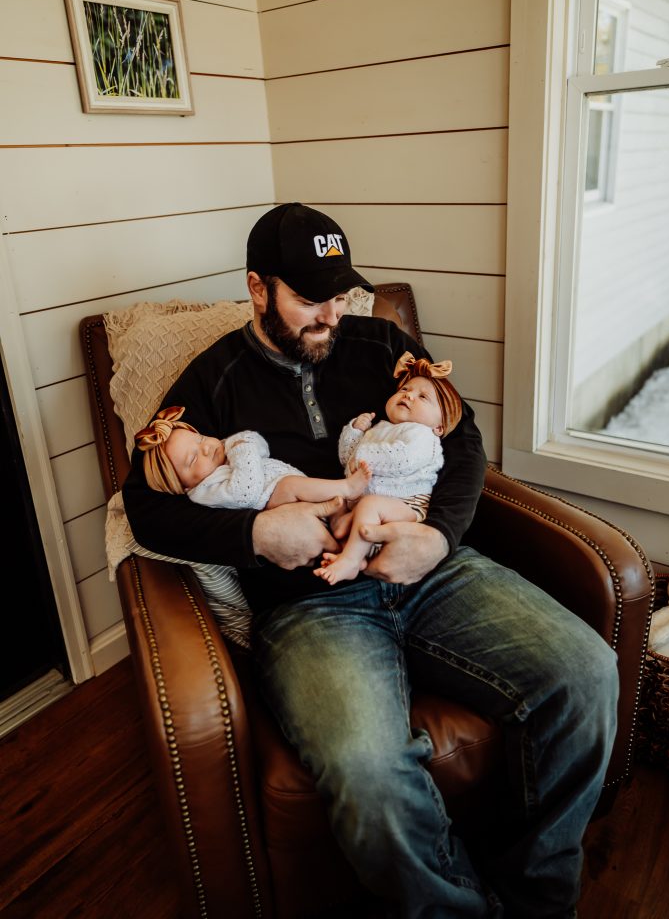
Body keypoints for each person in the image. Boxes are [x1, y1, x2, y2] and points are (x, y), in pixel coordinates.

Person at [123, 202, 619, 919]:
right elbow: (143, 506)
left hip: (431, 569)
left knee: (584, 673)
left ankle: (536, 903)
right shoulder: (211, 380)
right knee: (366, 771)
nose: (329, 312)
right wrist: (255, 537)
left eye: (336, 292)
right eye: (306, 297)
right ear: (258, 289)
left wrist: (437, 536)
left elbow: (464, 442)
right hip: (310, 606)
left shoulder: (378, 341)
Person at [315, 352, 462, 585]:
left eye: (422, 397)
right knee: (336, 504)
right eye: (405, 390)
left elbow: (402, 460)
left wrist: (363, 454)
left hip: (406, 505)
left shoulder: (422, 435)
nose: (409, 396)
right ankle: (356, 555)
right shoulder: (380, 429)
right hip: (367, 512)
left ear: (440, 426)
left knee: (369, 505)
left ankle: (351, 560)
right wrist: (355, 431)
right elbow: (348, 460)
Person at [133, 404, 372, 511]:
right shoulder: (205, 491)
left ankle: (342, 522)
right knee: (291, 485)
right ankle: (347, 487)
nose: (206, 447)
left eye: (200, 438)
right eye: (193, 459)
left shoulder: (224, 452)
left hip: (296, 493)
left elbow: (259, 445)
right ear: (183, 486)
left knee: (337, 511)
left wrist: (237, 444)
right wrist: (239, 446)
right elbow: (246, 491)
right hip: (279, 502)